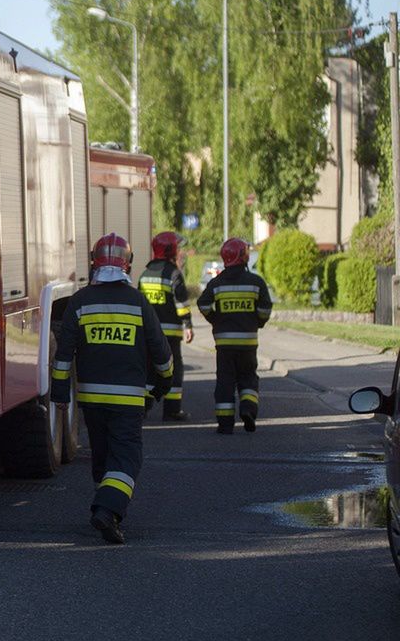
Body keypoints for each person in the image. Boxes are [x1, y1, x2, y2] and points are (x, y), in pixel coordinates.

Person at [50, 232, 174, 544]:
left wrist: (60, 394)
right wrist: (161, 386)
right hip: (128, 401)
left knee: (103, 457)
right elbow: (161, 352)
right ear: (127, 265)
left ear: (94, 263)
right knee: (127, 458)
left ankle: (109, 509)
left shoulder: (79, 301)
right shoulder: (137, 301)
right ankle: (107, 510)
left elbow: (63, 355)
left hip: (91, 401)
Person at [196, 238, 273, 434]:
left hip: (224, 344)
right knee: (248, 378)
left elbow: (203, 304)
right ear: (243, 256)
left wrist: (215, 320)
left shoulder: (217, 283)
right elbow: (265, 308)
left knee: (225, 381)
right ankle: (248, 408)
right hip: (248, 342)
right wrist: (258, 322)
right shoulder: (256, 282)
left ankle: (225, 424)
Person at [138, 231, 194, 421]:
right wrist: (188, 325)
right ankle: (172, 410)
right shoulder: (173, 274)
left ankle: (143, 408)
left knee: (148, 369)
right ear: (171, 250)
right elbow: (181, 304)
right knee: (174, 369)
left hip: (149, 334)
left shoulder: (145, 275)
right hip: (170, 335)